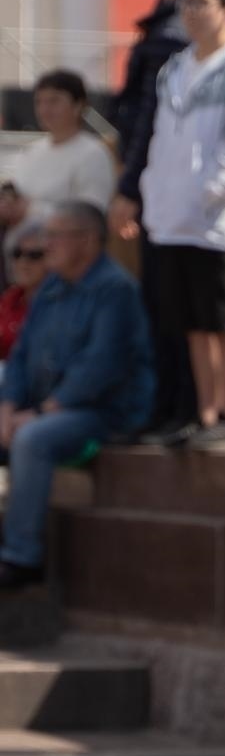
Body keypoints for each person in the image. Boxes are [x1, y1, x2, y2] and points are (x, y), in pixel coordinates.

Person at [0, 201, 154, 589]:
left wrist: (39, 414)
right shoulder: (50, 287)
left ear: (87, 241)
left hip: (103, 414)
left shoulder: (115, 289)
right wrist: (7, 407)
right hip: (43, 407)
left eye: (55, 236)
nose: (46, 245)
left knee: (32, 439)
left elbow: (100, 368)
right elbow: (20, 357)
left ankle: (22, 559)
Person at [140, 0, 225, 449]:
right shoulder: (174, 66)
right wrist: (155, 193)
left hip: (219, 224)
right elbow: (158, 135)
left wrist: (210, 194)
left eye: (201, 3)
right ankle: (205, 412)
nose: (191, 12)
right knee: (193, 323)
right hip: (173, 219)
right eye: (186, 3)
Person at [107, 0, 195, 437]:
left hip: (168, 198)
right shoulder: (164, 21)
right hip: (159, 192)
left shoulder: (177, 30)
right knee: (161, 308)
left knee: (173, 312)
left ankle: (176, 411)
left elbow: (149, 118)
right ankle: (166, 410)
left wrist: (129, 186)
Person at [0, 70, 115, 269]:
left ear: (78, 105)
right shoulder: (32, 151)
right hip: (22, 260)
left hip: (67, 264)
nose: (45, 109)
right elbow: (17, 193)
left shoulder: (93, 154)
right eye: (39, 102)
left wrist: (30, 210)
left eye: (54, 101)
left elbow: (91, 217)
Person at [0, 222, 48, 376]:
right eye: (17, 254)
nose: (23, 263)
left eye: (34, 255)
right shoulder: (9, 298)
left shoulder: (59, 302)